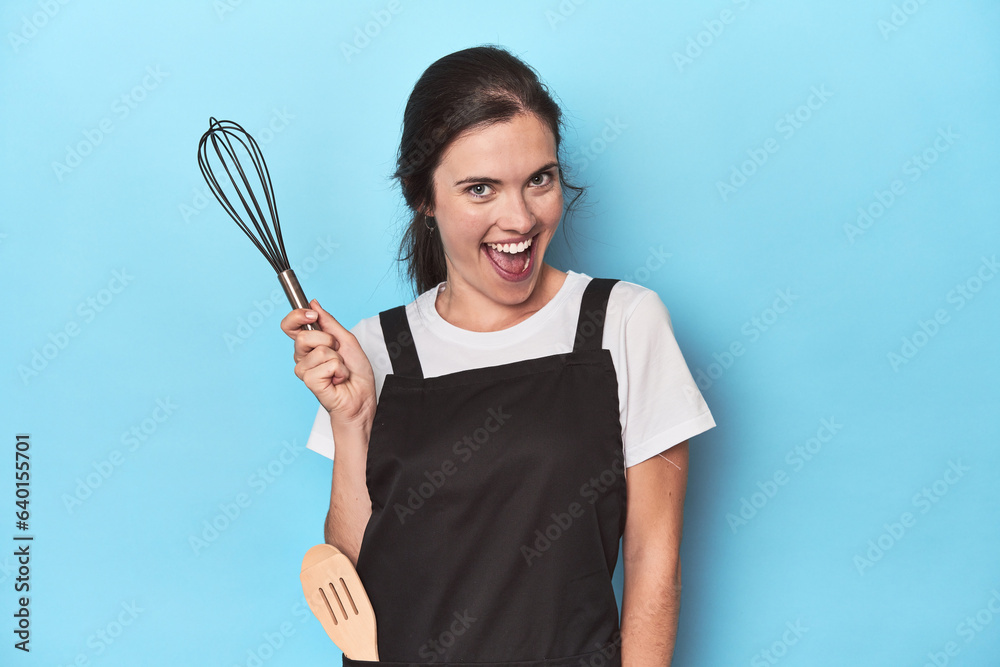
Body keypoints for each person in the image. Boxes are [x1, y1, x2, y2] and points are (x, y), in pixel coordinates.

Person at [281, 45, 715, 667]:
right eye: (480, 189)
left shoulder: (622, 323)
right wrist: (352, 423)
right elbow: (350, 589)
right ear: (424, 197)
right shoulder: (374, 349)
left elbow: (656, 564)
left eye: (539, 179)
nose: (519, 218)